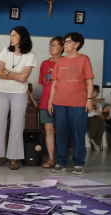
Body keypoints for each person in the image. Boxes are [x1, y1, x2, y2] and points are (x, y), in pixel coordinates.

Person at [0, 26, 37, 170]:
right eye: (10, 35)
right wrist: (16, 75)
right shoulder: (5, 51)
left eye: (14, 35)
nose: (11, 38)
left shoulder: (30, 55)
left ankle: (14, 158)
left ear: (22, 37)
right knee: (0, 125)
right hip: (1, 92)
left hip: (19, 94)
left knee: (17, 126)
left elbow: (24, 79)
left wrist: (8, 73)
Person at [48, 32, 94, 175]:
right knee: (61, 133)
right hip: (59, 102)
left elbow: (89, 82)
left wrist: (89, 99)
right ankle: (61, 161)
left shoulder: (84, 59)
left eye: (68, 41)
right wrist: (50, 102)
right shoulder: (60, 62)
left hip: (79, 103)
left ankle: (79, 163)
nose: (65, 44)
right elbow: (54, 83)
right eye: (65, 41)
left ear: (77, 44)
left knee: (78, 133)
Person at [38, 36, 63, 168]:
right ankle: (51, 159)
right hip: (45, 101)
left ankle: (61, 159)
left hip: (61, 101)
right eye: (50, 45)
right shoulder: (44, 64)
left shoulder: (66, 63)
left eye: (55, 45)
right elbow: (44, 83)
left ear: (62, 47)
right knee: (48, 130)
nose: (51, 47)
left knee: (61, 130)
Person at [87, 85, 106, 151]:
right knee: (97, 121)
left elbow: (100, 114)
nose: (97, 93)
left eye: (98, 92)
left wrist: (103, 117)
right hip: (87, 117)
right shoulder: (85, 99)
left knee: (102, 123)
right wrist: (100, 99)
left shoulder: (98, 104)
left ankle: (96, 143)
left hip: (96, 118)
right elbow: (91, 102)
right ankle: (95, 141)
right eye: (96, 91)